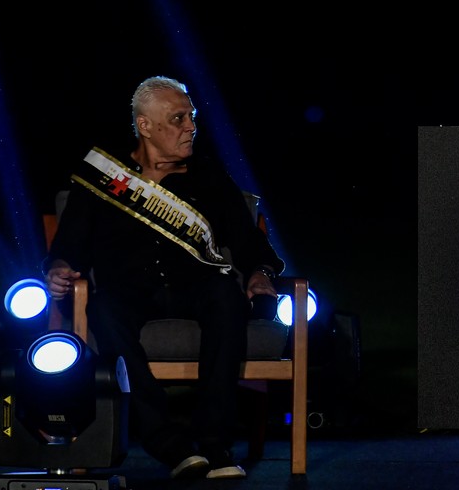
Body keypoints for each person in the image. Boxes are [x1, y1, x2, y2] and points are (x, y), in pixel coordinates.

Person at [42, 75, 283, 480]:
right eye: (178, 118)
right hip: (129, 291)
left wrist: (260, 273)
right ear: (146, 126)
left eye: (192, 117)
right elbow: (68, 246)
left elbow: (247, 241)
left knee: (226, 296)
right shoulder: (103, 177)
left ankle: (215, 445)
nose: (191, 126)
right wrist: (59, 269)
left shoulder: (207, 175)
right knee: (104, 312)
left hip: (197, 286)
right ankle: (167, 443)